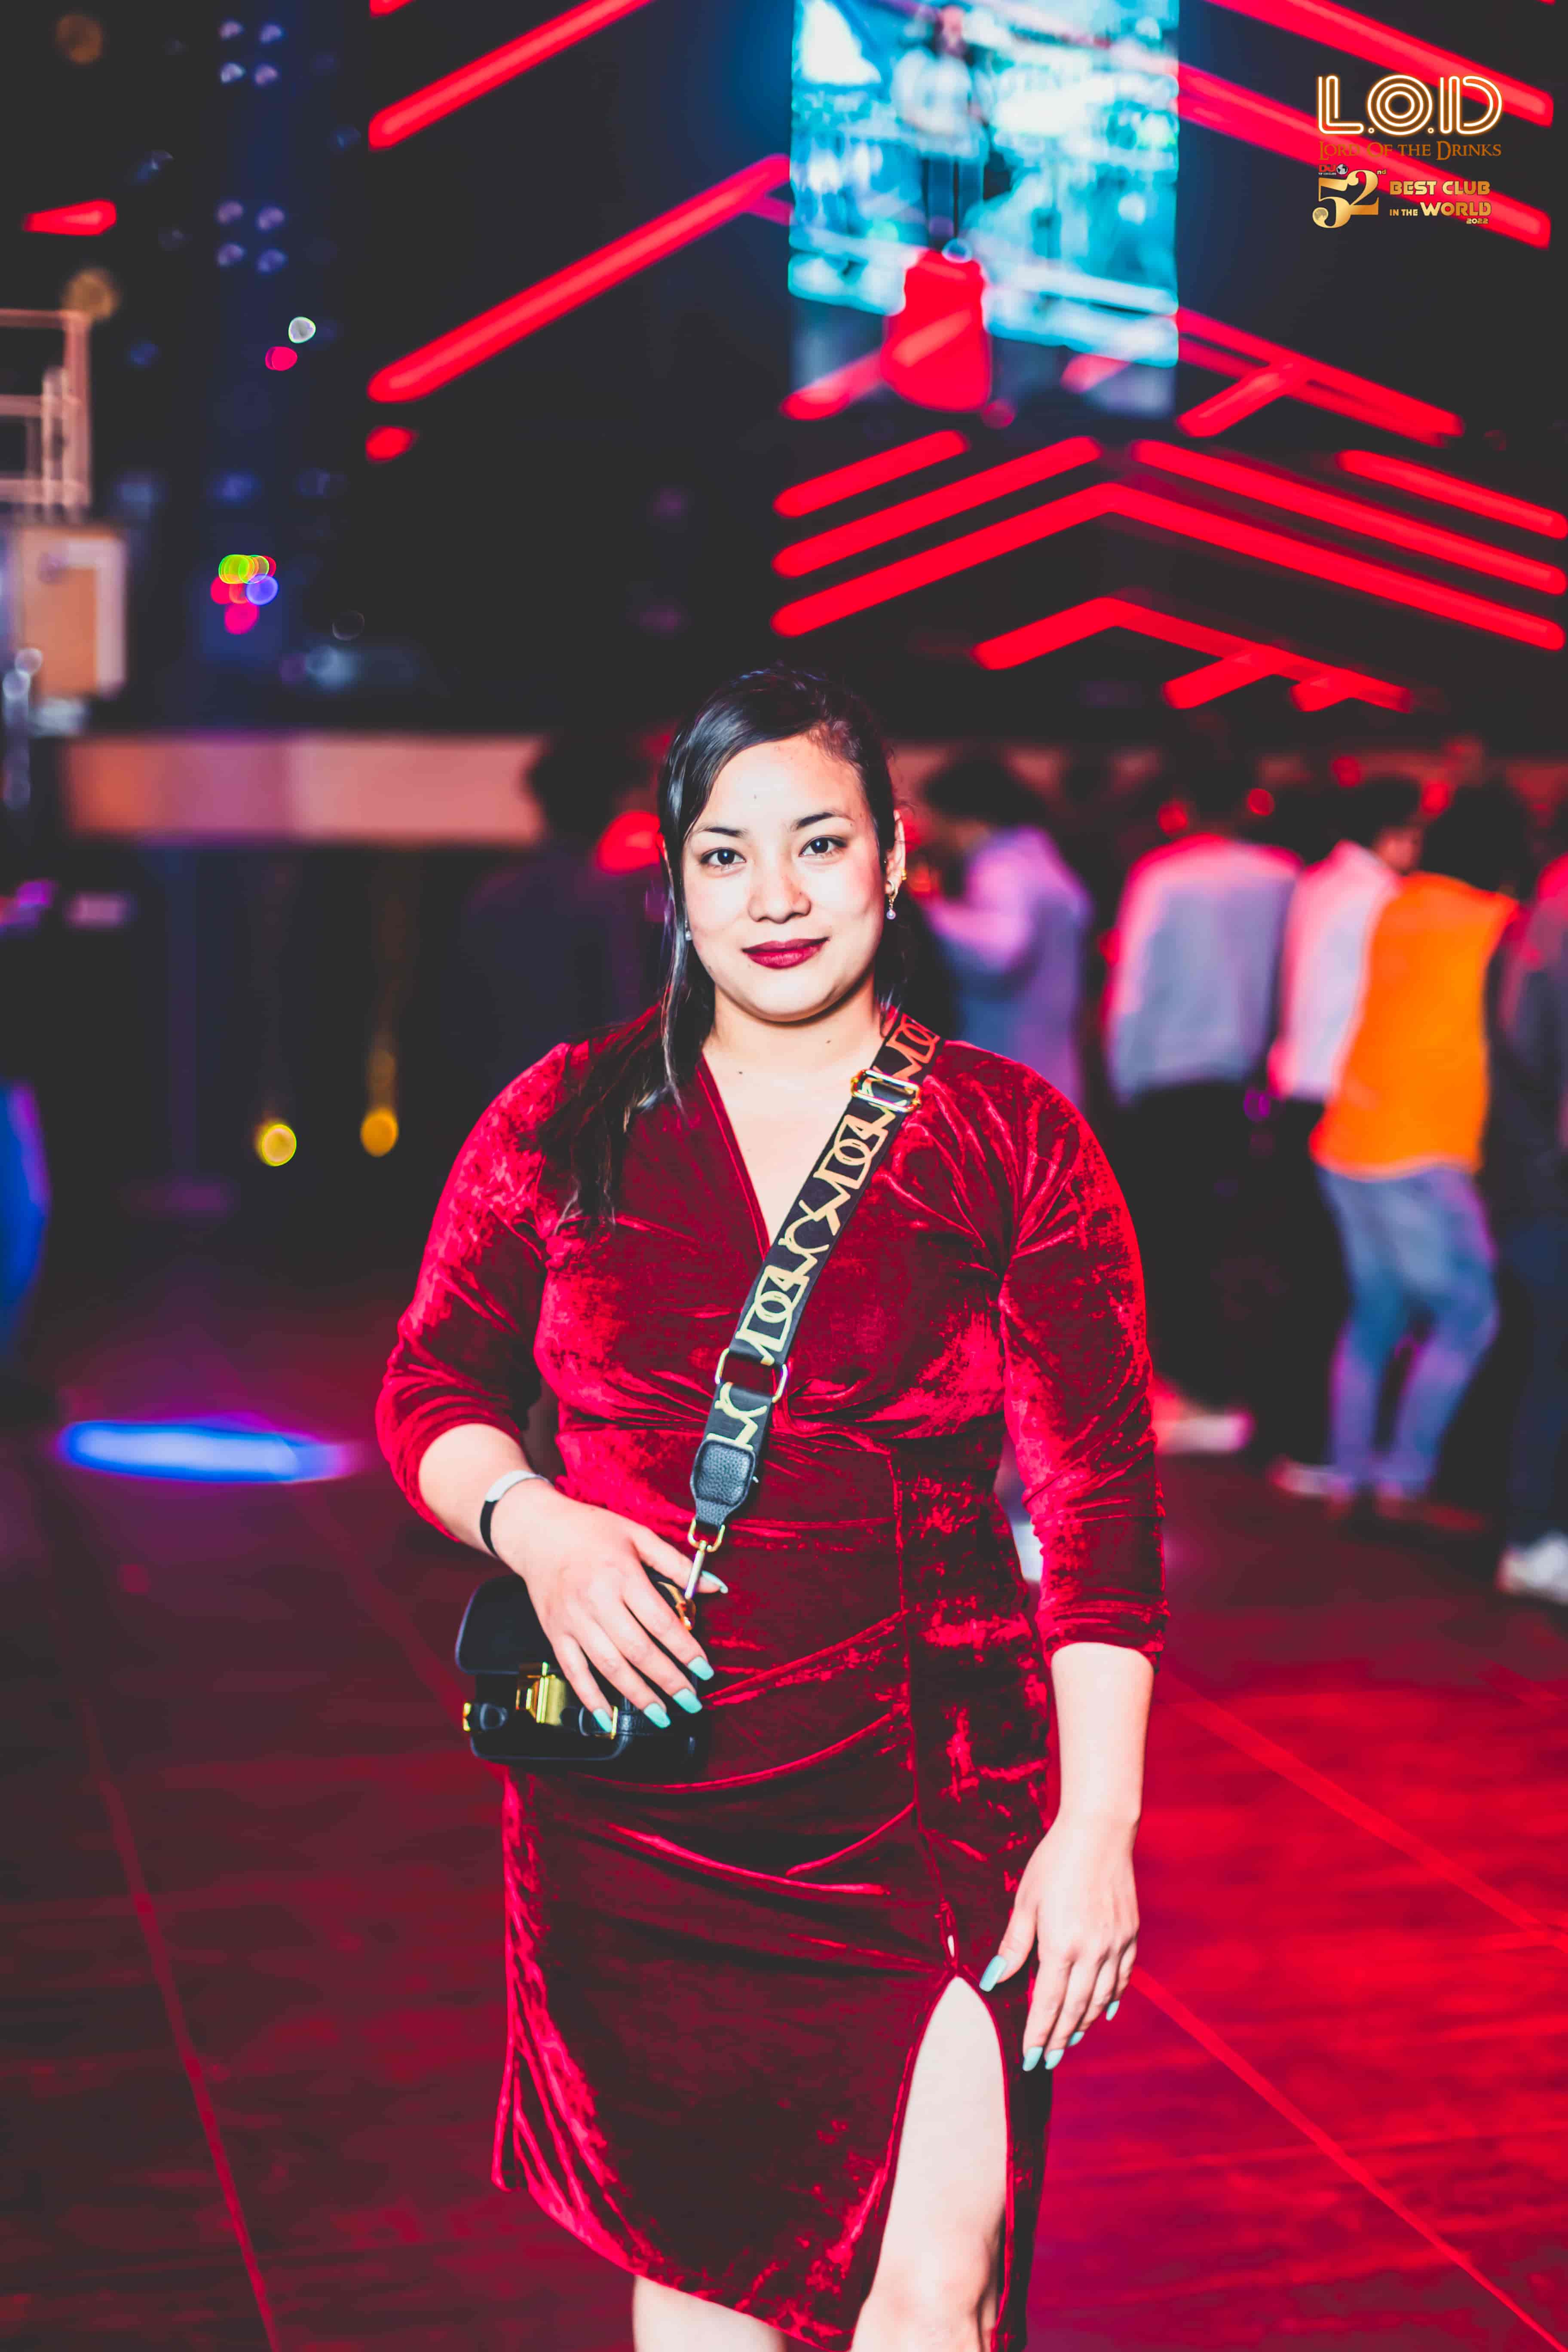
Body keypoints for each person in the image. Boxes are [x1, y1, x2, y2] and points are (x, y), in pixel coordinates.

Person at [377, 666, 1164, 2352]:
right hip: (645, 1815)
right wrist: (534, 1520)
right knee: (706, 2291)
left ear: (895, 859)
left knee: (936, 2288)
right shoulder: (563, 1120)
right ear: (673, 883)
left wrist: (1098, 1822)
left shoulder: (1007, 1137)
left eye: (819, 842)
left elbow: (1098, 1513)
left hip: (931, 1802)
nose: (776, 895)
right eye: (726, 855)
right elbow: (430, 1389)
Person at [1311, 788, 1521, 1528]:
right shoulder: (1497, 923)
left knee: (1374, 1311)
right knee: (1468, 1313)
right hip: (1422, 1146)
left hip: (1347, 1135)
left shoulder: (1394, 905)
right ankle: (1404, 1478)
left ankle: (1348, 1476)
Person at [1105, 764, 1298, 1450]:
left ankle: (1191, 1390)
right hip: (1253, 1075)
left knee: (1170, 1244)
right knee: (1240, 1241)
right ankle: (1233, 1389)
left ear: (1182, 808)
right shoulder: (1282, 875)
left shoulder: (1165, 876)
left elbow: (1136, 985)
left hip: (1169, 1076)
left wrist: (1121, 1076)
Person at [1260, 777, 1424, 1489]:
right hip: (1343, 1097)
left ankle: (1294, 1437)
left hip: (1296, 1087)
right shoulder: (1382, 898)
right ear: (1393, 832)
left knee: (1304, 1275)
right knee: (1341, 1283)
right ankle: (1318, 1445)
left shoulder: (1317, 882)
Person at [450, 731, 652, 1115]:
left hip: (503, 1106)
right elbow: (623, 1021)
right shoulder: (603, 898)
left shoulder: (492, 895)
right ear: (609, 800)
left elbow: (462, 1024)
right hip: (579, 1112)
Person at [919, 752, 1092, 1103]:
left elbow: (1001, 951)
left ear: (966, 819)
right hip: (1053, 1074)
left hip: (1006, 1078)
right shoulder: (1047, 863)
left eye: (939, 822)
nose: (935, 834)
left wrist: (924, 913)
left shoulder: (1001, 866)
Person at [1487, 851, 1568, 1602]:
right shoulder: (1551, 915)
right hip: (1547, 1175)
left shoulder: (1538, 913)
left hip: (1536, 1168)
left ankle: (1532, 1533)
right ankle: (1533, 1534)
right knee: (1552, 1356)